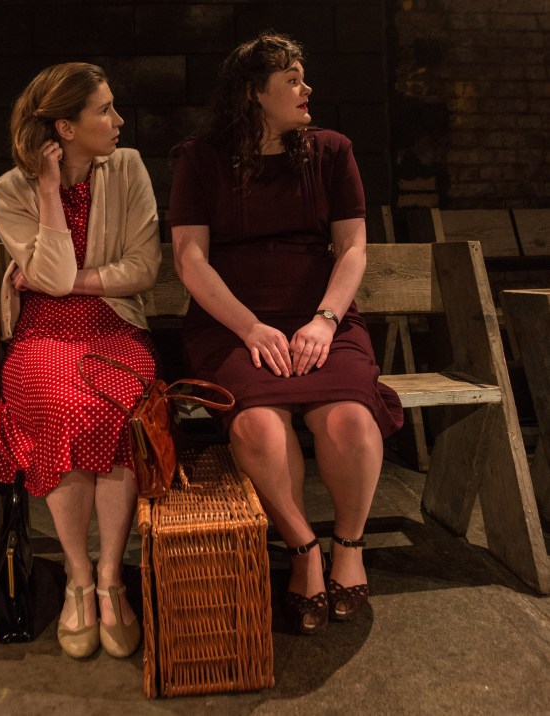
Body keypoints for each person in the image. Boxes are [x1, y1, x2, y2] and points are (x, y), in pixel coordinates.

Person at [169, 33, 404, 635]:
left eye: (304, 77)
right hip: (233, 323)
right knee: (257, 426)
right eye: (293, 80)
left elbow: (352, 249)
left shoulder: (331, 151)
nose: (307, 89)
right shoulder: (201, 159)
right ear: (255, 92)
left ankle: (348, 547)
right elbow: (190, 259)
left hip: (320, 316)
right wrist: (249, 327)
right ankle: (303, 551)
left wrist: (325, 320)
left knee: (351, 420)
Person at [0, 62, 162, 658]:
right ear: (65, 128)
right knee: (61, 406)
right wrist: (51, 192)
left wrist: (67, 281)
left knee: (117, 405)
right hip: (42, 337)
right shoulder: (10, 192)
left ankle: (110, 578)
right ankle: (79, 577)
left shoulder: (127, 168)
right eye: (104, 109)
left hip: (115, 327)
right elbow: (49, 279)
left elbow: (144, 269)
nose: (118, 119)